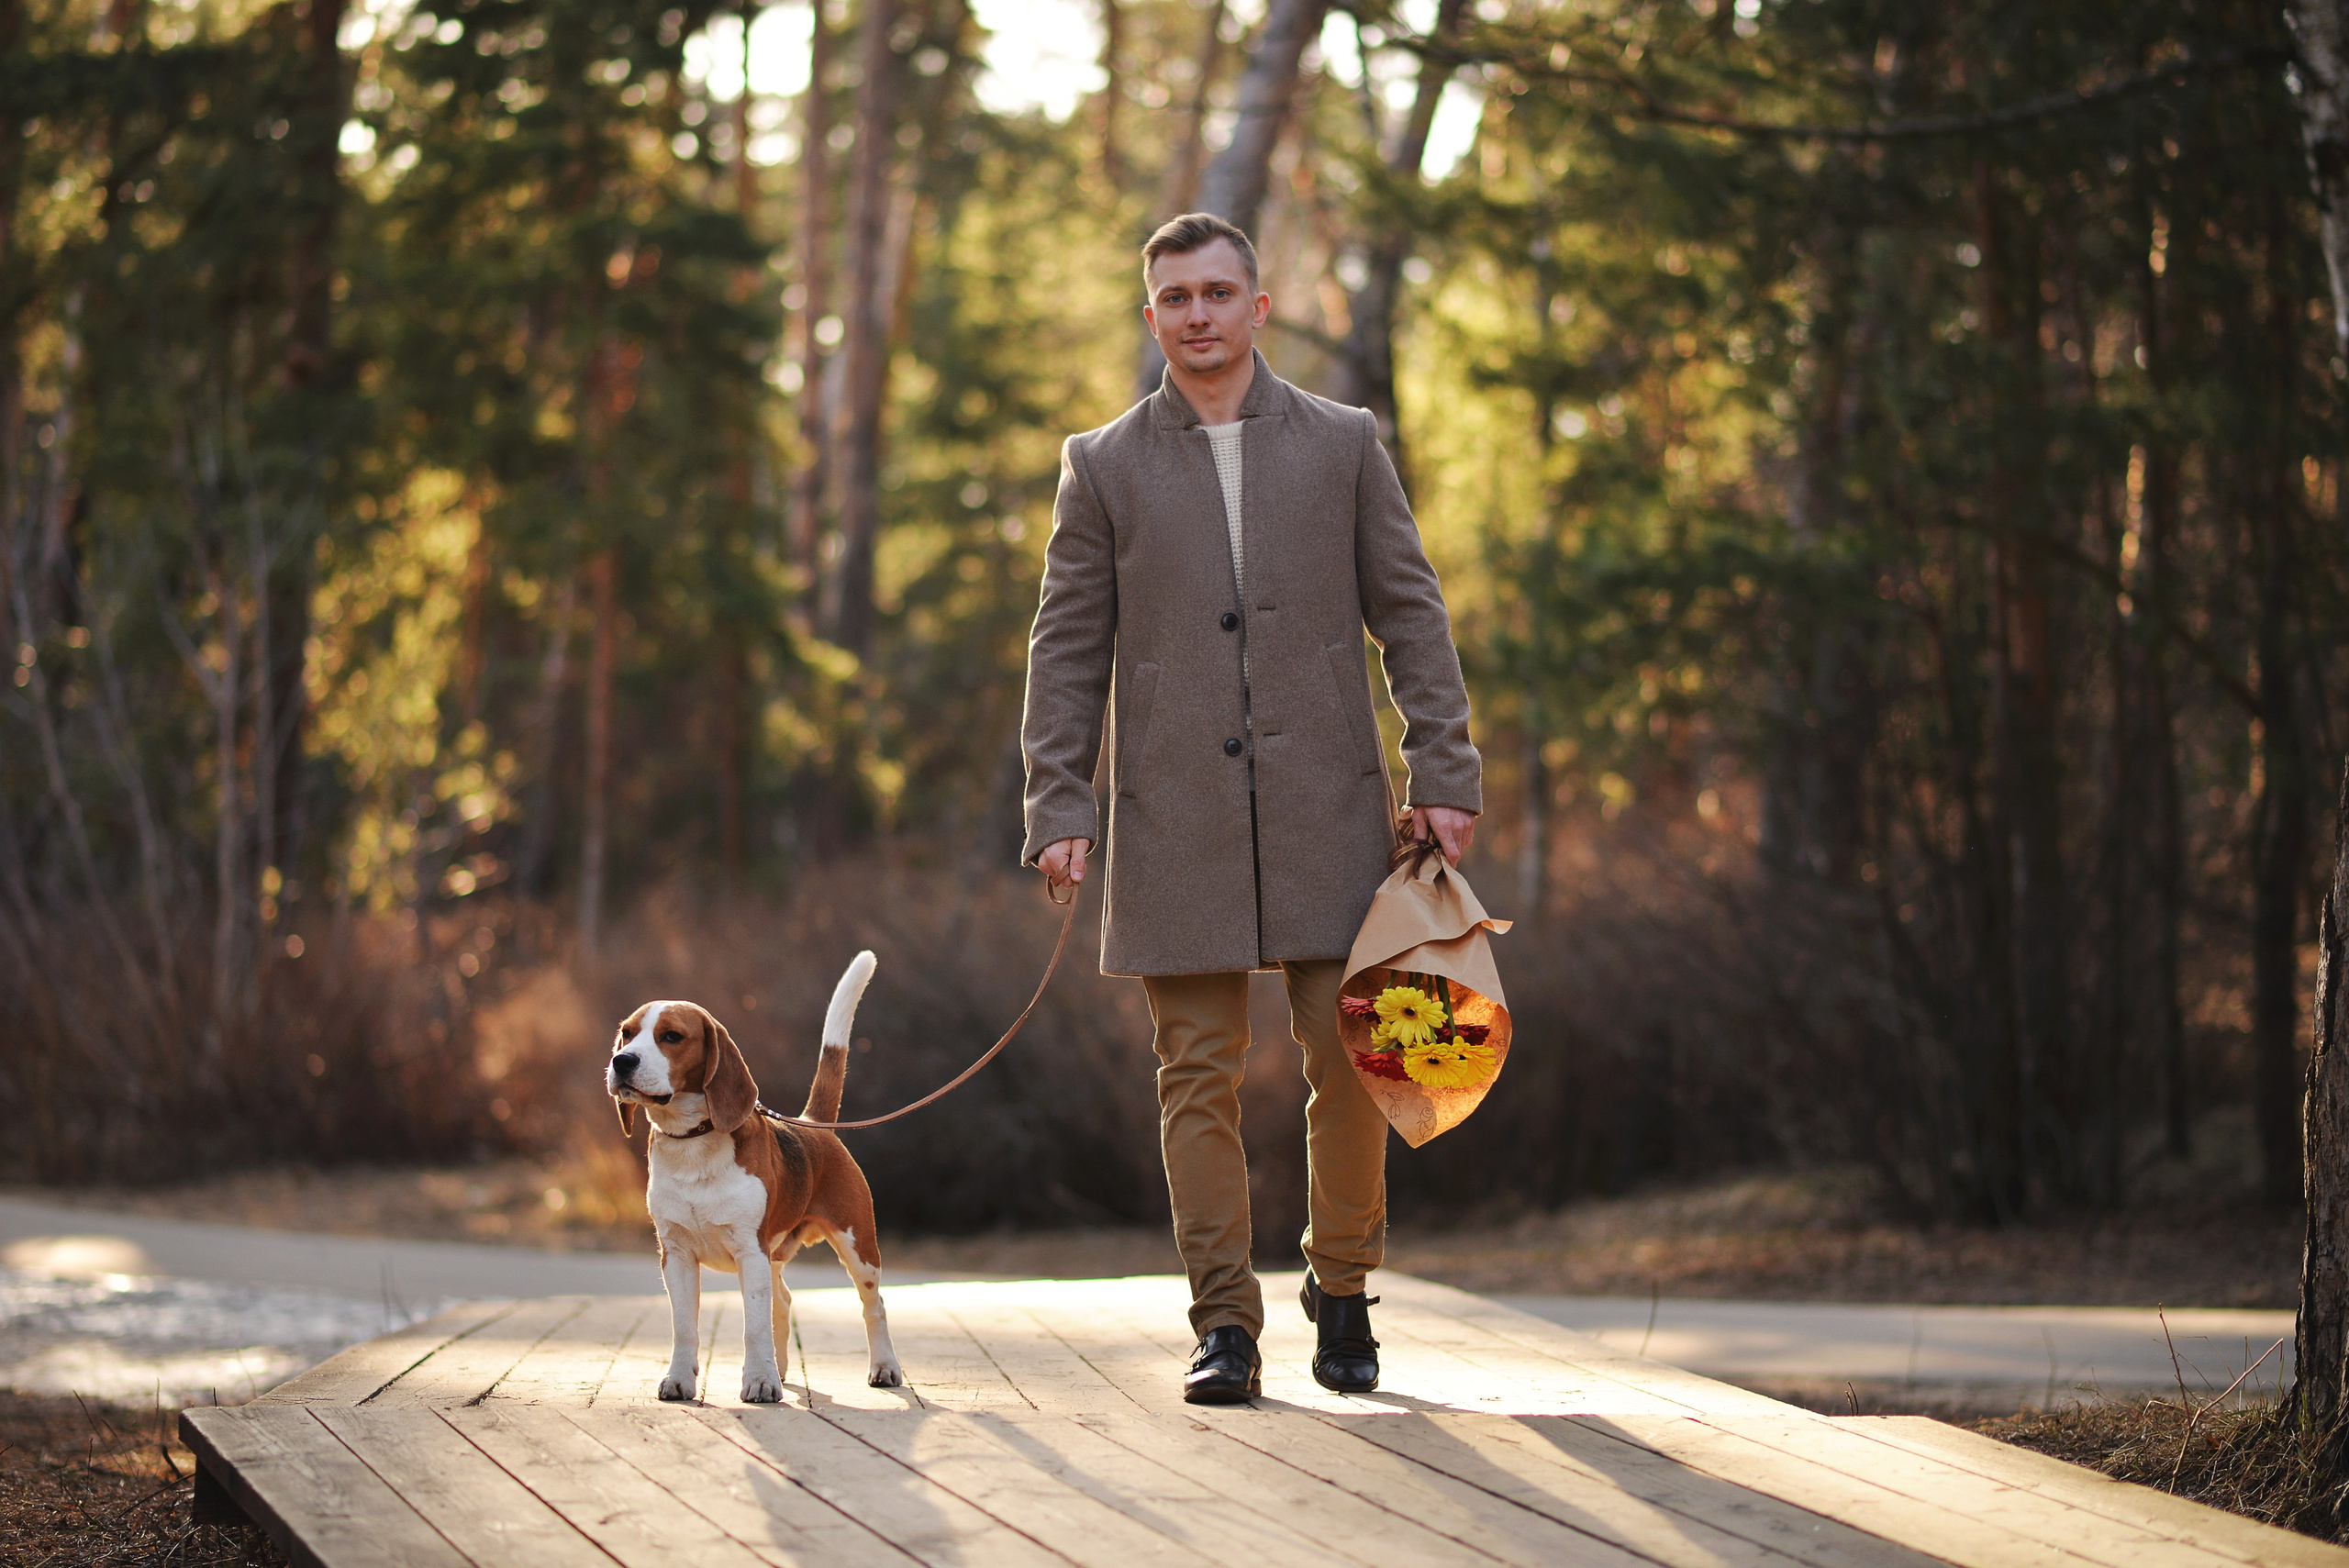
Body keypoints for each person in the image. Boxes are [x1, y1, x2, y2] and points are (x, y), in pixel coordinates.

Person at [1019, 213, 1481, 1404]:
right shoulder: (1104, 463)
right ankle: (1224, 1320)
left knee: (1359, 1054)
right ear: (1153, 316)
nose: (1199, 313)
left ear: (1258, 306)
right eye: (1175, 296)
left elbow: (1412, 611)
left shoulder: (1342, 441)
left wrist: (1446, 771)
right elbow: (1066, 650)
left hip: (1332, 799)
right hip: (1171, 810)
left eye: (1219, 290)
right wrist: (1057, 799)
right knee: (1196, 1070)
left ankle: (1342, 1281)